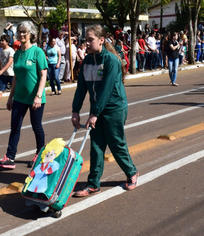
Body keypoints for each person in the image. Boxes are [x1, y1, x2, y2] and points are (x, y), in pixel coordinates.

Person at [71, 24, 138, 197]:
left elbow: (107, 90)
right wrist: (75, 111)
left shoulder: (111, 61)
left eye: (90, 40)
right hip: (97, 109)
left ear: (101, 40)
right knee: (96, 146)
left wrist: (94, 114)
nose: (87, 43)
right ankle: (93, 183)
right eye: (86, 40)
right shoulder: (86, 61)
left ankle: (131, 173)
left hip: (113, 109)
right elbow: (81, 88)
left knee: (116, 143)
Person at [0, 21, 48, 169]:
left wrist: (38, 96)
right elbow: (16, 77)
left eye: (25, 32)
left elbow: (43, 75)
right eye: (20, 32)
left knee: (36, 126)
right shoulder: (17, 54)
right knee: (15, 127)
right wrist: (10, 97)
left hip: (35, 98)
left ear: (31, 34)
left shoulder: (38, 52)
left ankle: (40, 154)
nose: (22, 34)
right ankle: (10, 157)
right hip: (19, 97)